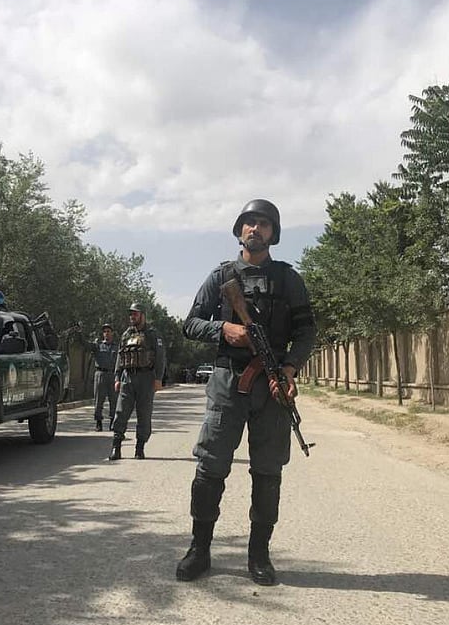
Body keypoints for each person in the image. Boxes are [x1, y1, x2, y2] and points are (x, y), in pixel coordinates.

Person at [175, 199, 316, 585]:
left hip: (271, 387)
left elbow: (306, 332)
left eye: (264, 225)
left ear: (274, 234)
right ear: (240, 231)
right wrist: (224, 330)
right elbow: (189, 324)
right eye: (250, 223)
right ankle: (199, 549)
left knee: (268, 471)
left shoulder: (289, 279)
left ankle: (259, 555)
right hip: (227, 384)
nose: (256, 229)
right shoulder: (221, 276)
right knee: (210, 467)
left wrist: (287, 369)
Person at [108, 303, 166, 460]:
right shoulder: (126, 334)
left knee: (144, 414)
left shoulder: (153, 334)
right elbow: (120, 357)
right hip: (127, 377)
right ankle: (116, 447)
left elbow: (160, 357)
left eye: (135, 314)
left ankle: (139, 448)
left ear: (142, 315)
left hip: (146, 378)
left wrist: (159, 378)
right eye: (131, 314)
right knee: (121, 412)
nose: (132, 317)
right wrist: (117, 377)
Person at [90, 323, 118, 431]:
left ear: (112, 333)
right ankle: (98, 422)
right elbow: (86, 346)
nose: (106, 333)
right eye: (105, 331)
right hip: (100, 374)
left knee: (114, 400)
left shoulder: (117, 346)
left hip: (112, 374)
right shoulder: (97, 346)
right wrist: (79, 333)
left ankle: (112, 422)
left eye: (108, 331)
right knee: (98, 400)